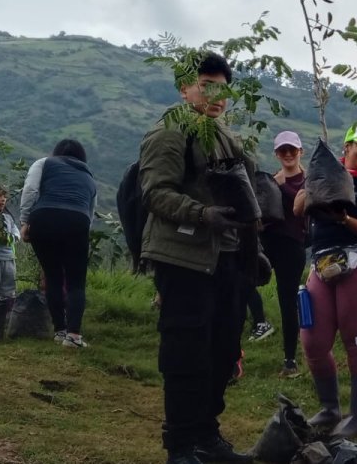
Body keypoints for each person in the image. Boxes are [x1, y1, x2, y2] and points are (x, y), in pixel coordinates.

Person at [139, 52, 254, 464]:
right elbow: (154, 192)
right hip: (183, 256)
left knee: (222, 349)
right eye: (206, 85)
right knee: (186, 352)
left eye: (222, 87)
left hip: (224, 255)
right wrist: (201, 214)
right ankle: (182, 445)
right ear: (184, 87)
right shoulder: (171, 131)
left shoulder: (221, 132)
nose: (216, 94)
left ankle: (207, 435)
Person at [294, 123, 357, 438]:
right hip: (322, 260)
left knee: (355, 339)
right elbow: (297, 209)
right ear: (346, 147)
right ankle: (330, 407)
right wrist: (313, 190)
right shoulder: (324, 175)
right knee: (313, 340)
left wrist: (344, 218)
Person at [19, 139, 98, 348]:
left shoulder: (44, 163)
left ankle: (59, 331)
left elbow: (31, 191)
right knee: (75, 282)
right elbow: (90, 211)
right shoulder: (88, 175)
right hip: (77, 222)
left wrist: (25, 221)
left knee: (52, 275)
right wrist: (80, 234)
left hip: (44, 218)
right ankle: (73, 336)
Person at [244, 131, 307, 381]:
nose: (288, 154)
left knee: (287, 301)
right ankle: (255, 327)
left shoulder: (308, 182)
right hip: (268, 242)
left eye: (292, 149)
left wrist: (284, 188)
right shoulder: (270, 181)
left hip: (292, 246)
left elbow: (306, 212)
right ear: (277, 154)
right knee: (243, 282)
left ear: (300, 151)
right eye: (283, 151)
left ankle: (290, 359)